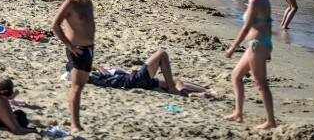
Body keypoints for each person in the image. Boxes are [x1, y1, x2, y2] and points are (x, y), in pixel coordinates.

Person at [223, 0, 276, 130]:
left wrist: (232, 48)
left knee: (261, 84)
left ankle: (271, 122)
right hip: (262, 44)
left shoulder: (255, 1)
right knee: (236, 76)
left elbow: (246, 28)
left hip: (257, 45)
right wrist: (269, 50)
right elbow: (269, 24)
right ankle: (238, 113)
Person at [51, 0, 95, 134]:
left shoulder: (89, 4)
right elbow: (55, 25)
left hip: (89, 50)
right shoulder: (71, 3)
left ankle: (76, 122)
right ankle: (74, 124)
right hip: (76, 50)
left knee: (81, 87)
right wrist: (69, 45)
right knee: (75, 88)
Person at [82, 49, 216, 98]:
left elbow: (119, 71)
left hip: (132, 78)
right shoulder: (96, 75)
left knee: (175, 80)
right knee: (161, 54)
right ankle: (173, 90)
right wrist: (95, 65)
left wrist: (125, 71)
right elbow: (107, 75)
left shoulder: (102, 71)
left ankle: (202, 92)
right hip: (132, 81)